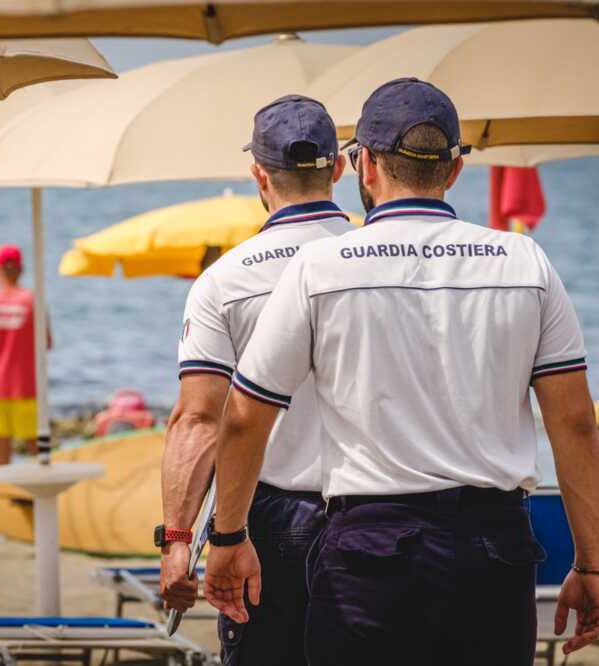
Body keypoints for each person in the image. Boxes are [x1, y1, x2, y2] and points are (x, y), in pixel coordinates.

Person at [203, 78, 599, 665]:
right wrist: (592, 563)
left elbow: (244, 418)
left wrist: (229, 536)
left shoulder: (322, 267)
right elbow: (574, 423)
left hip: (370, 553)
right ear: (454, 170)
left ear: (364, 164)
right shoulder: (525, 263)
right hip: (494, 552)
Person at [157, 95, 349, 666]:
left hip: (271, 522)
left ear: (258, 175)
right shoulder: (381, 262)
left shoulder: (225, 280)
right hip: (383, 517)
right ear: (339, 168)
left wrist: (176, 540)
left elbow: (199, 418)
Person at [0, 244, 50, 465]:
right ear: (21, 269)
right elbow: (47, 343)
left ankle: (4, 497)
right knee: (39, 457)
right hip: (26, 388)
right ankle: (39, 499)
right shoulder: (34, 302)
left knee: (1, 461)